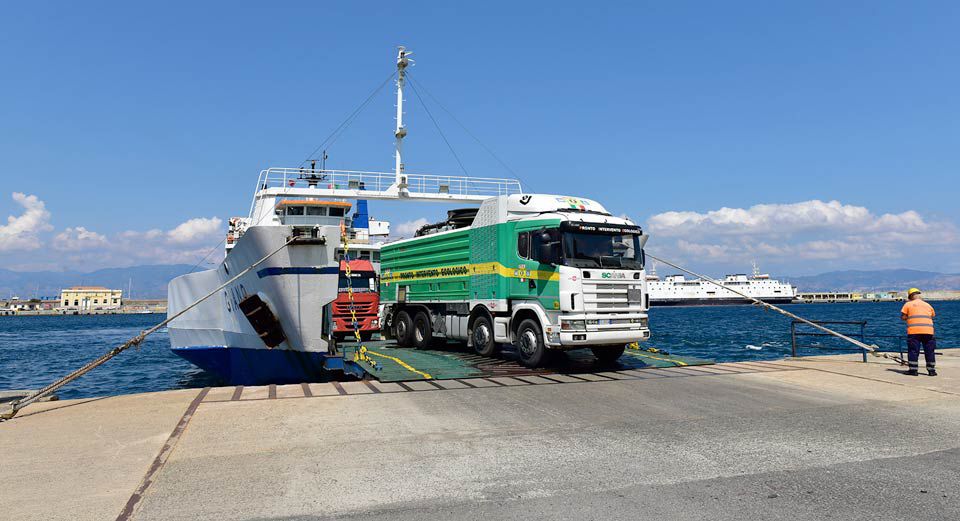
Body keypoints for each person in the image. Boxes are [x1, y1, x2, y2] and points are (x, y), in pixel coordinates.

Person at [900, 288, 937, 376]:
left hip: (914, 331)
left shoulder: (908, 304)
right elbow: (932, 315)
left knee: (913, 350)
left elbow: (903, 317)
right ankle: (931, 371)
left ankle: (913, 370)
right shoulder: (928, 305)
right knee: (929, 351)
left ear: (910, 296)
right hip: (928, 331)